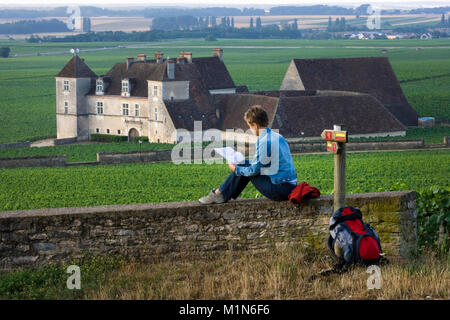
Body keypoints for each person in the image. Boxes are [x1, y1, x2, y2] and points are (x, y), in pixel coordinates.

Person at [199, 105, 297, 204]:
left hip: (279, 189)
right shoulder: (278, 136)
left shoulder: (264, 141)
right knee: (243, 163)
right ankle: (220, 194)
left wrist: (236, 169)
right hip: (289, 186)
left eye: (249, 126)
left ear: (255, 125)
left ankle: (219, 194)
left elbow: (253, 171)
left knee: (243, 167)